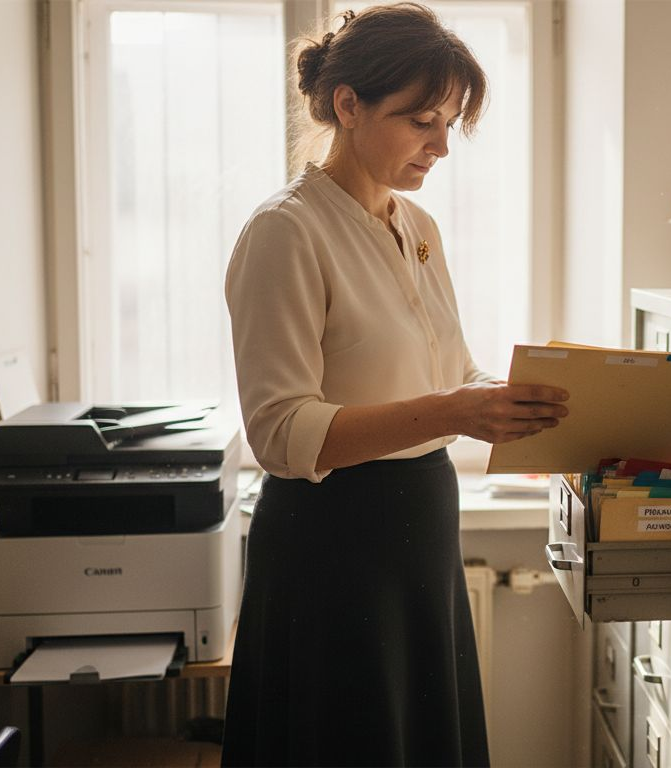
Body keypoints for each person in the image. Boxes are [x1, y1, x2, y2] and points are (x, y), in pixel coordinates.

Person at [220, 4, 567, 766]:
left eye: (449, 125)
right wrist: (455, 410)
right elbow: (281, 434)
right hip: (334, 540)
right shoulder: (287, 232)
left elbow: (454, 374)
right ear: (348, 106)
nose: (442, 147)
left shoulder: (414, 227)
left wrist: (536, 399)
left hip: (421, 525)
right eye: (422, 122)